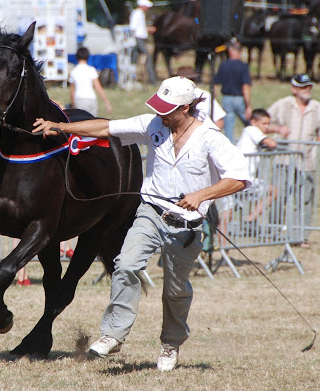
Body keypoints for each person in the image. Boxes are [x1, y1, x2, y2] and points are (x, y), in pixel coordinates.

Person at [33, 76, 251, 371]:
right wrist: (60, 126)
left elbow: (239, 177)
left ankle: (170, 344)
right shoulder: (153, 125)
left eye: (167, 108)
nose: (160, 113)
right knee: (125, 264)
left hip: (186, 225)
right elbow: (104, 127)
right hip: (150, 212)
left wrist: (202, 194)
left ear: (185, 107)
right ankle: (113, 334)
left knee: (175, 291)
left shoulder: (210, 137)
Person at [267, 74, 320, 248]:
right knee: (279, 196)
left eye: (309, 86)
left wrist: (313, 147)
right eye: (303, 87)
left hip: (307, 163)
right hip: (284, 159)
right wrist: (278, 128)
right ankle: (273, 233)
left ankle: (300, 236)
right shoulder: (283, 104)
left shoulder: (317, 107)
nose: (307, 90)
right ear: (294, 89)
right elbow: (262, 122)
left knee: (305, 198)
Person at [219, 109, 278, 243]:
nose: (266, 127)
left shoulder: (251, 133)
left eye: (268, 124)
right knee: (273, 191)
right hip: (239, 179)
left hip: (241, 179)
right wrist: (278, 132)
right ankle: (250, 219)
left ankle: (249, 219)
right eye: (264, 123)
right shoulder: (251, 129)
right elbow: (272, 144)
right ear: (253, 122)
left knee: (227, 214)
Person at [213, 39, 252, 143]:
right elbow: (246, 87)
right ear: (240, 51)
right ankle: (258, 140)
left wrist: (215, 100)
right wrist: (248, 105)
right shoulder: (243, 66)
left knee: (228, 128)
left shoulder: (223, 65)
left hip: (226, 99)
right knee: (250, 123)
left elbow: (215, 84)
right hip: (239, 99)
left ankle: (231, 147)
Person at [69, 47, 112, 116]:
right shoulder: (91, 70)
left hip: (79, 99)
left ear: (77, 57)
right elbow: (98, 88)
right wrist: (107, 103)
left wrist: (73, 105)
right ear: (88, 57)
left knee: (80, 123)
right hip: (91, 99)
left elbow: (72, 91)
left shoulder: (74, 71)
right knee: (92, 123)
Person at [129, 0, 157, 85]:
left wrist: (146, 29)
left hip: (139, 38)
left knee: (135, 58)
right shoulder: (137, 13)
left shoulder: (139, 13)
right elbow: (133, 27)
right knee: (148, 56)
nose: (148, 9)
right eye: (147, 7)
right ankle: (152, 80)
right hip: (138, 38)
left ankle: (132, 77)